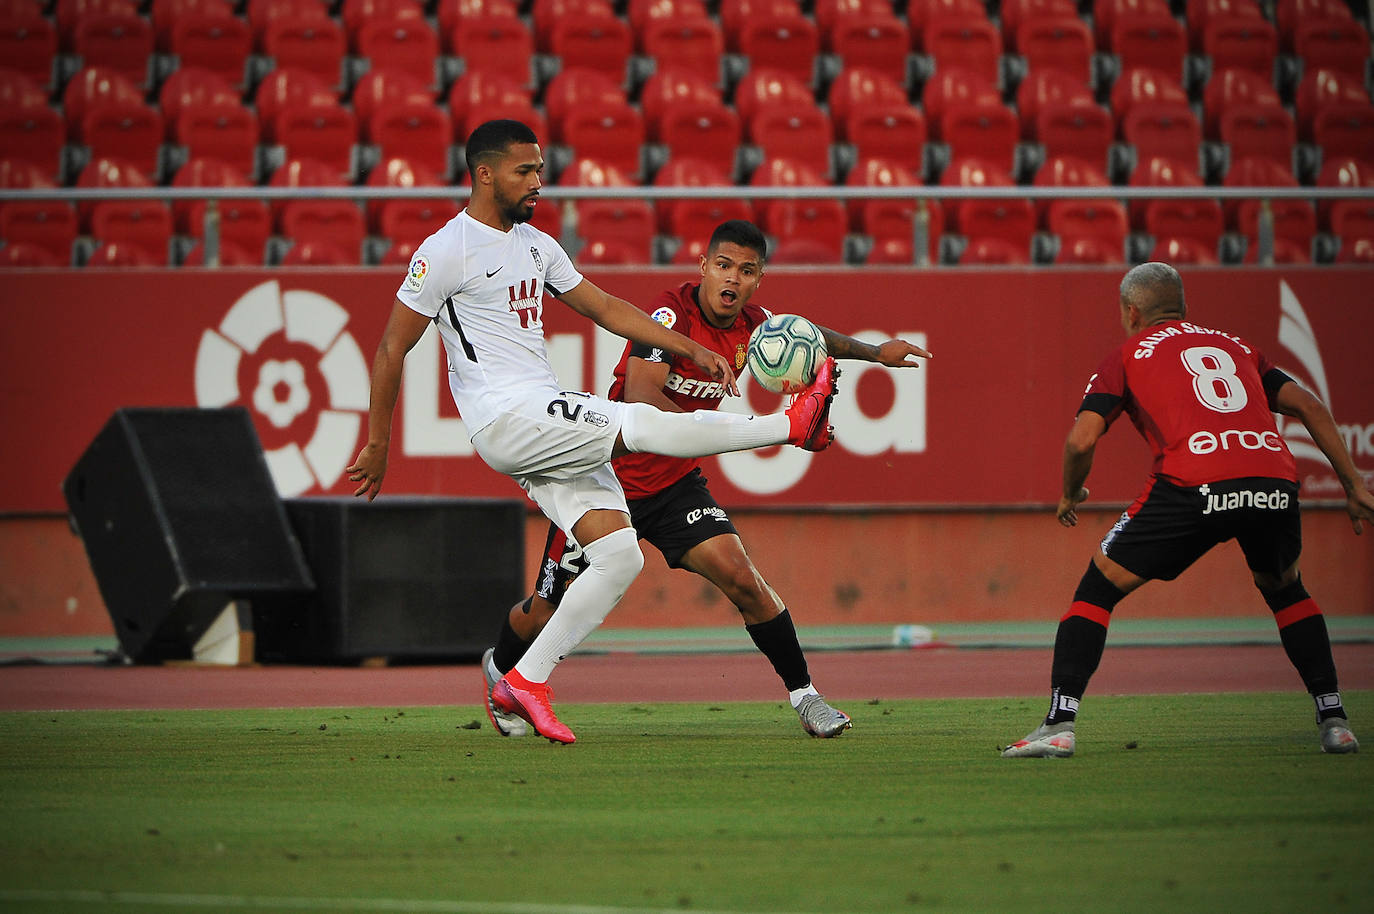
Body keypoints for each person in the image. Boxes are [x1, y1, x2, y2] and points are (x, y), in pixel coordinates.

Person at [348, 120, 841, 745]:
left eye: (540, 169)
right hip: (506, 416)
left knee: (617, 557)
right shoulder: (445, 251)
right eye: (525, 171)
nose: (538, 182)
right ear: (484, 174)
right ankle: (787, 426)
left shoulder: (537, 245)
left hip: (543, 414)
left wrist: (689, 345)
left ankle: (521, 680)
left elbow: (605, 308)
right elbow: (392, 349)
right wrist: (379, 441)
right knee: (639, 423)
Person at [479, 220, 932, 739]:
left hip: (675, 488)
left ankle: (806, 697)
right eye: (723, 266)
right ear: (703, 266)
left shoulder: (759, 326)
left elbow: (814, 337)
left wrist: (876, 354)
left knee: (744, 579)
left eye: (746, 271)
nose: (732, 280)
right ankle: (502, 669)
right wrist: (718, 428)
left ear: (759, 279)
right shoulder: (670, 315)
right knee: (542, 611)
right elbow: (642, 402)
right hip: (606, 482)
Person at [1003, 262, 1373, 759]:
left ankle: (1058, 725)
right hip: (1271, 482)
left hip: (1192, 484)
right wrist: (1352, 483)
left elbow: (1082, 438)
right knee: (1286, 590)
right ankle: (1335, 720)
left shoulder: (1128, 355)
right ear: (1184, 307)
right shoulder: (1238, 347)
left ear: (1131, 312)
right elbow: (1309, 405)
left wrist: (1070, 492)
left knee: (1096, 591)